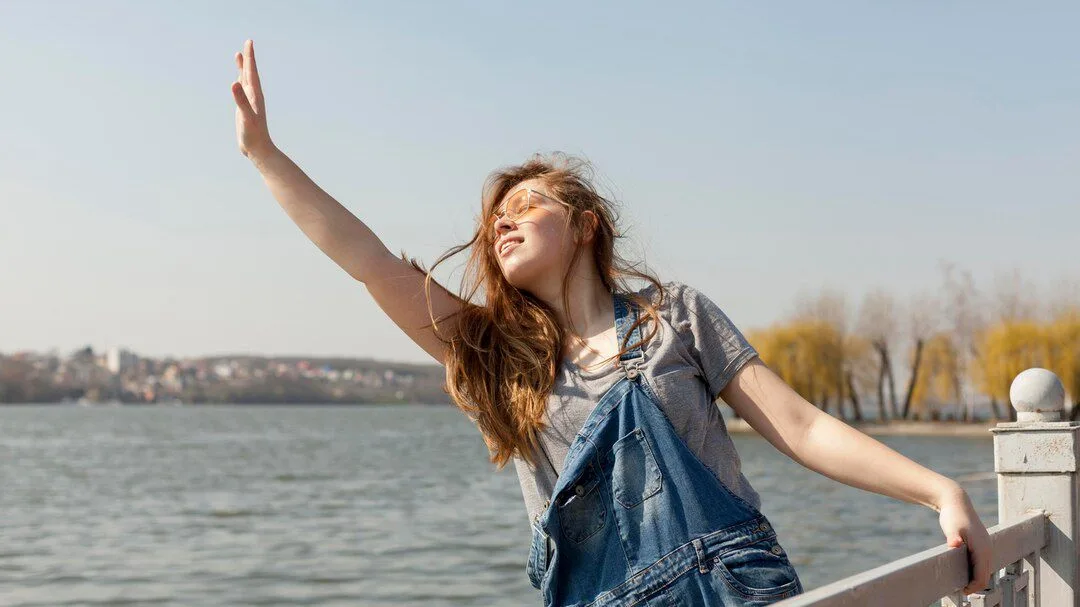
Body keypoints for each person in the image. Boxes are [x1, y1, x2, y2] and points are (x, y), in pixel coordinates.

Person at [229, 39, 992, 606]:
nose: (503, 224)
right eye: (495, 217)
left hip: (739, 588)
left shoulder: (676, 316)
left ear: (586, 224)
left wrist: (938, 490)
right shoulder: (492, 352)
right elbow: (368, 261)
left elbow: (800, 426)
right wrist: (265, 157)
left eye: (527, 206)